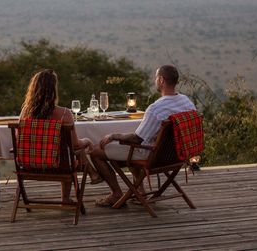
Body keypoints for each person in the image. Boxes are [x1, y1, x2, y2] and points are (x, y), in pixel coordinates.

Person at [89, 65, 197, 207]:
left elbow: (137, 139)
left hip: (153, 157)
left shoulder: (156, 109)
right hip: (177, 156)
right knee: (132, 148)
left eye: (156, 77)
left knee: (95, 151)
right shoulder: (187, 102)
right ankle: (140, 191)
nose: (155, 80)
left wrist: (114, 136)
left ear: (161, 80)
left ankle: (116, 194)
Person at [19, 69, 96, 203]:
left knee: (66, 152)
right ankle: (68, 195)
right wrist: (87, 141)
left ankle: (93, 175)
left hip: (28, 164)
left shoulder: (25, 113)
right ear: (54, 90)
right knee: (70, 152)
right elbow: (75, 144)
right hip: (59, 165)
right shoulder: (64, 113)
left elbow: (19, 139)